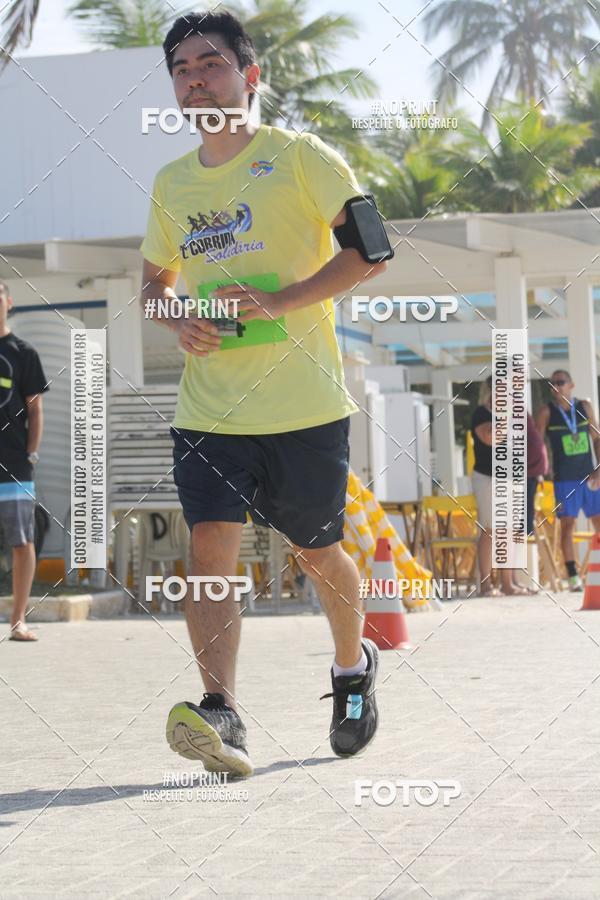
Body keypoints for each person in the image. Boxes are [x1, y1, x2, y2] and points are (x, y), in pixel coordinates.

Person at [140, 11, 389, 777]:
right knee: (209, 547)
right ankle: (222, 712)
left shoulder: (302, 156)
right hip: (209, 408)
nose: (193, 78)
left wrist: (284, 301)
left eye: (210, 64)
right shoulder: (173, 182)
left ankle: (353, 670)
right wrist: (178, 318)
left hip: (305, 405)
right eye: (181, 68)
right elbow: (152, 287)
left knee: (318, 554)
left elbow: (371, 250)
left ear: (250, 77)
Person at [0, 281, 48, 641]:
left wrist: (30, 453)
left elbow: (35, 409)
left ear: (9, 303)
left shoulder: (23, 352)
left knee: (22, 541)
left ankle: (18, 620)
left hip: (14, 463)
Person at [535, 370, 600, 591]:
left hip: (589, 475)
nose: (556, 386)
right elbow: (538, 443)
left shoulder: (585, 406)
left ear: (571, 385)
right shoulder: (546, 411)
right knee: (568, 525)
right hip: (564, 479)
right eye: (552, 383)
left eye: (560, 382)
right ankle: (573, 577)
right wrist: (540, 471)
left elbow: (597, 437)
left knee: (598, 523)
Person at [471, 376, 534, 596]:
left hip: (511, 477)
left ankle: (508, 583)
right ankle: (486, 585)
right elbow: (490, 438)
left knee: (510, 530)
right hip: (488, 477)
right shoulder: (482, 413)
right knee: (491, 530)